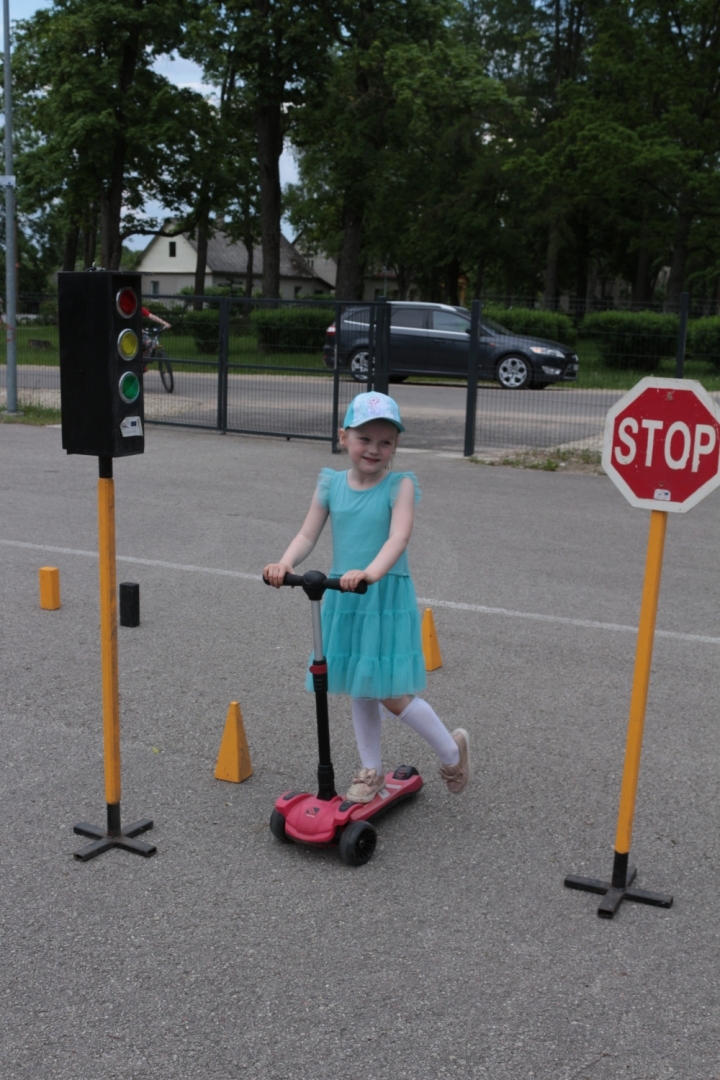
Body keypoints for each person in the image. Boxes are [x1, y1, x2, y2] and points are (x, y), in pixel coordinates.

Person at [264, 391, 470, 804]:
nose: (374, 449)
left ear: (395, 446)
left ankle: (452, 750)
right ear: (344, 437)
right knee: (360, 687)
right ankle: (371, 770)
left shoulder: (401, 485)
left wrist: (371, 573)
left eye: (386, 441)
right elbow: (308, 533)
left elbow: (399, 536)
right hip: (344, 593)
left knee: (389, 692)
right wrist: (284, 563)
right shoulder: (331, 484)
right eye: (365, 438)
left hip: (380, 595)